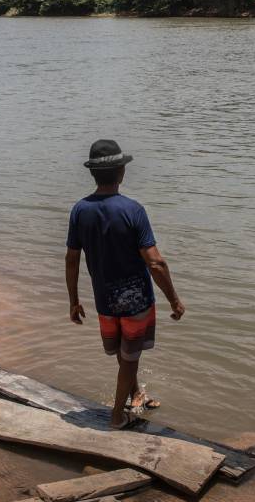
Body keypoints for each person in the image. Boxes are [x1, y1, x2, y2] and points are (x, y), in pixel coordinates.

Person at [65, 139, 185, 429]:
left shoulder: (80, 210)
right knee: (130, 357)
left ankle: (136, 394)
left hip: (104, 299)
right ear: (121, 172)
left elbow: (71, 258)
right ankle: (117, 416)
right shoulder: (133, 210)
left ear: (93, 174)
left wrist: (73, 300)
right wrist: (174, 300)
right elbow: (155, 262)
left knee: (124, 353)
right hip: (136, 302)